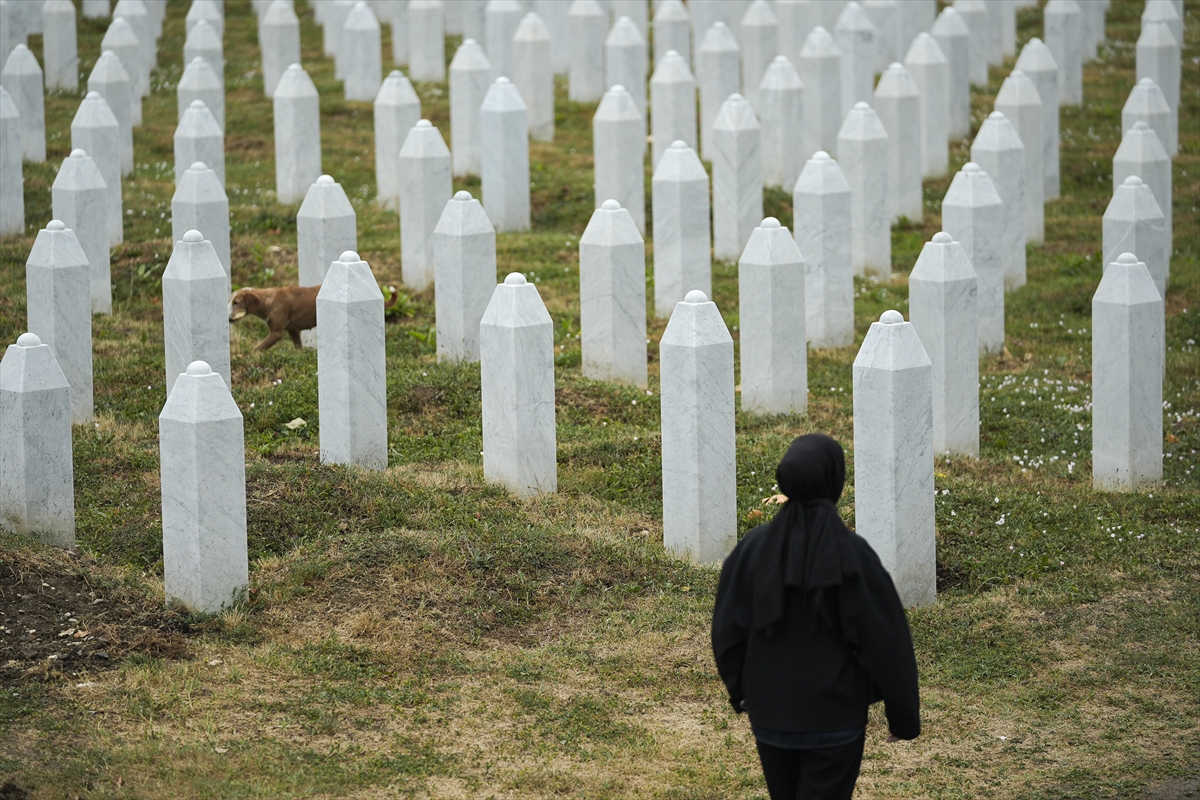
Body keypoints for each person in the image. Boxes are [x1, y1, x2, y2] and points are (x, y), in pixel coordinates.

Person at [711, 433, 921, 800]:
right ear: (834, 480)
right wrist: (903, 718)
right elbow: (887, 642)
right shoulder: (854, 555)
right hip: (835, 720)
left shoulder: (752, 549)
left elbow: (727, 631)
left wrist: (743, 693)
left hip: (770, 717)